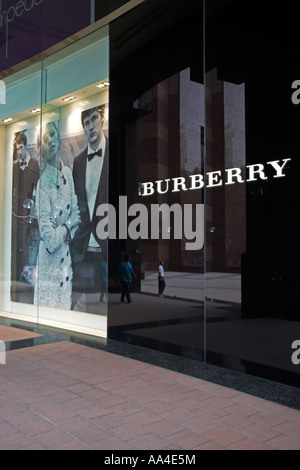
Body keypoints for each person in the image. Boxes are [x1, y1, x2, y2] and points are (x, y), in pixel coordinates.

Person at [33, 121, 80, 310]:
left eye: (52, 134)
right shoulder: (42, 184)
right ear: (41, 149)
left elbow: (77, 215)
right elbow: (50, 239)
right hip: (48, 267)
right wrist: (68, 226)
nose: (50, 140)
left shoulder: (67, 174)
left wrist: (63, 227)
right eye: (45, 139)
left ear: (59, 138)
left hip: (65, 263)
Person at [70, 106, 108, 311]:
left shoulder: (114, 151)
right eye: (86, 122)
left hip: (107, 244)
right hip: (83, 245)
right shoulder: (77, 161)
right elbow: (77, 204)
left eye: (94, 118)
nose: (91, 125)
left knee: (108, 306)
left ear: (102, 119)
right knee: (80, 305)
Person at [11, 132, 40, 297]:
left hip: (30, 216)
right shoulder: (14, 167)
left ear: (26, 146)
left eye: (21, 147)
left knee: (30, 245)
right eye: (17, 148)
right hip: (16, 214)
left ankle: (29, 279)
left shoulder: (35, 165)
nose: (19, 151)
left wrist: (33, 214)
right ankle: (18, 275)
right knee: (17, 245)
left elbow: (38, 193)